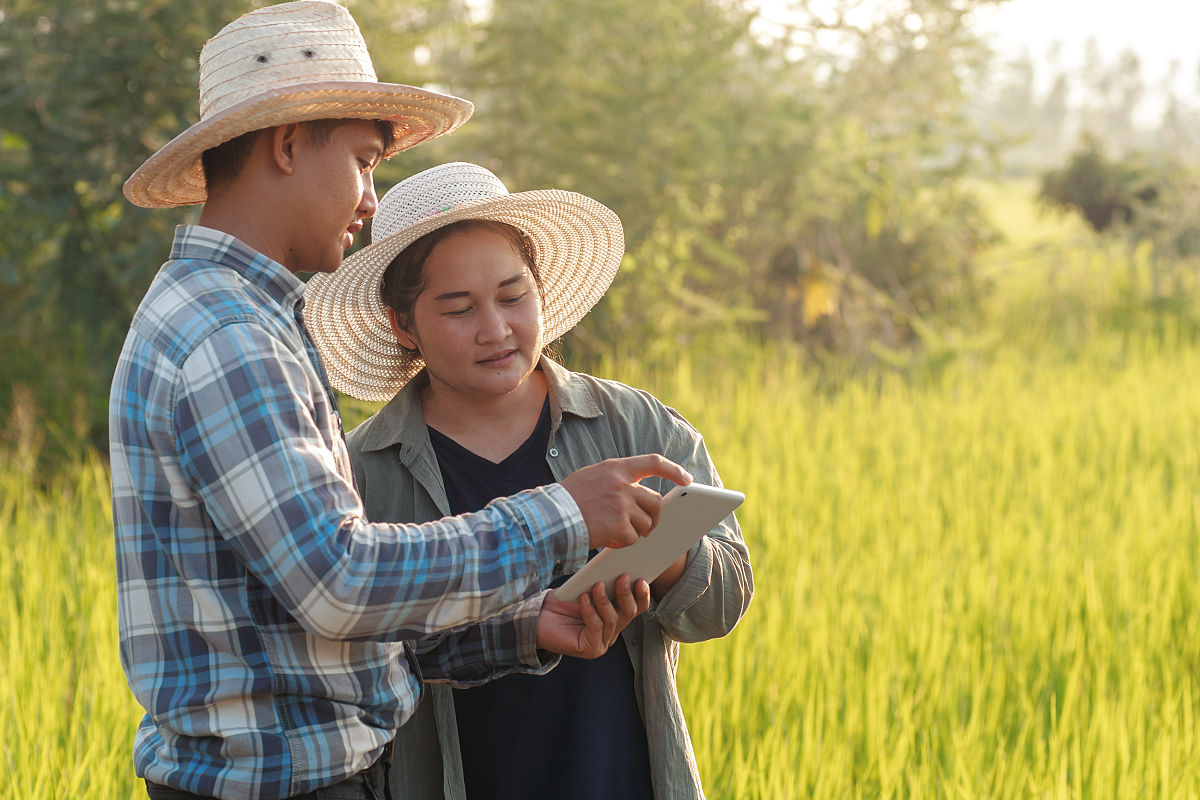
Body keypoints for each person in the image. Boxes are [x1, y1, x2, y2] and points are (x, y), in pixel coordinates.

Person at [110, 4, 691, 799]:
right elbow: (338, 581)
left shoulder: (242, 321)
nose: (371, 200)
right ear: (286, 146)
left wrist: (520, 627)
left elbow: (309, 633)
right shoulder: (228, 337)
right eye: (363, 161)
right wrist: (563, 512)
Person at [302, 162, 755, 800]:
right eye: (458, 309)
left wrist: (670, 554)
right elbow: (345, 657)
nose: (495, 329)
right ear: (403, 325)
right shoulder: (360, 471)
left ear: (540, 290)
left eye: (513, 297)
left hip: (620, 776)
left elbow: (724, 604)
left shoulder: (633, 427)